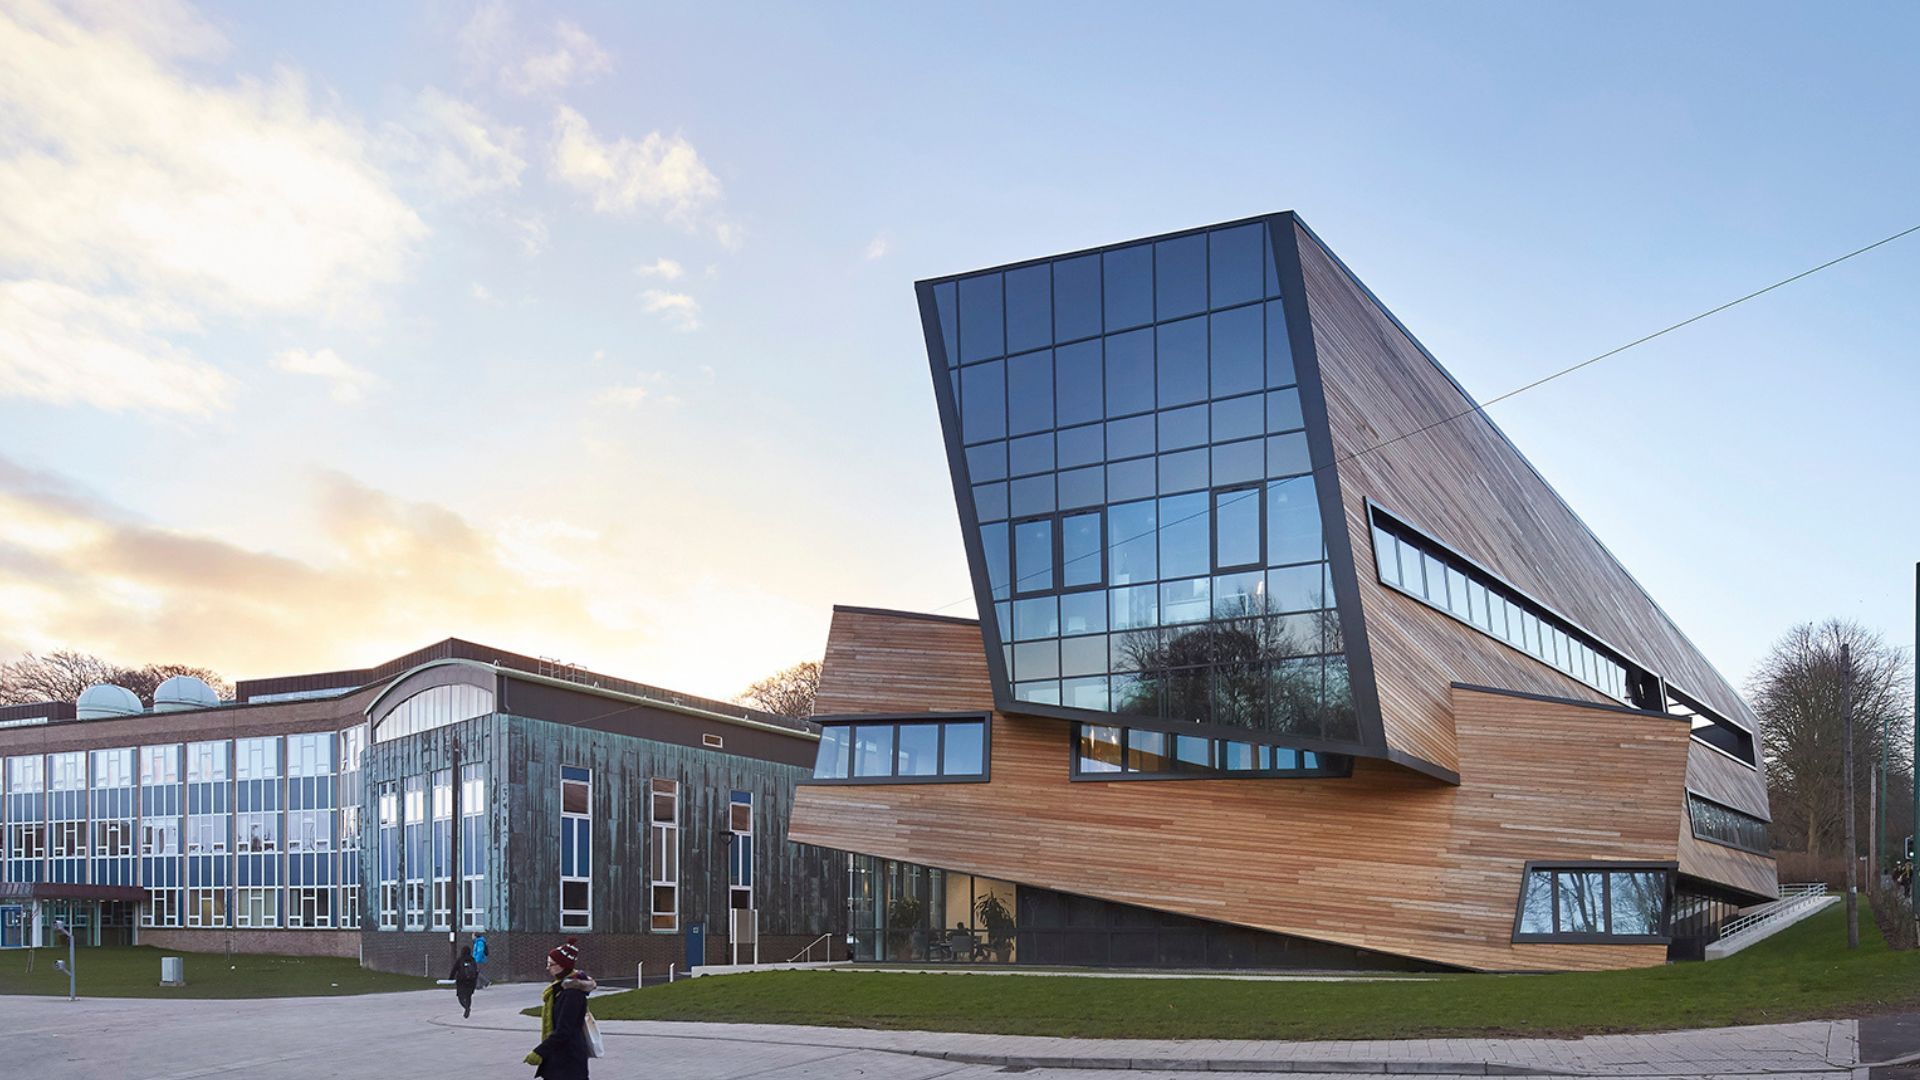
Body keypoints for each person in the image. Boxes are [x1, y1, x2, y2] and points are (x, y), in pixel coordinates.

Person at [524, 937, 596, 1079]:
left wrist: (539, 1052)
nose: (547, 968)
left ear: (562, 965)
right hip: (559, 1058)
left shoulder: (572, 994)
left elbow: (564, 1030)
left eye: (550, 964)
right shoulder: (558, 990)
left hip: (568, 1062)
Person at [449, 944, 480, 1018]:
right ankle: (467, 1007)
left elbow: (454, 969)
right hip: (471, 982)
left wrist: (451, 978)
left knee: (460, 997)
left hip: (461, 981)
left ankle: (466, 1007)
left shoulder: (460, 959)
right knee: (468, 996)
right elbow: (475, 971)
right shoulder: (472, 959)